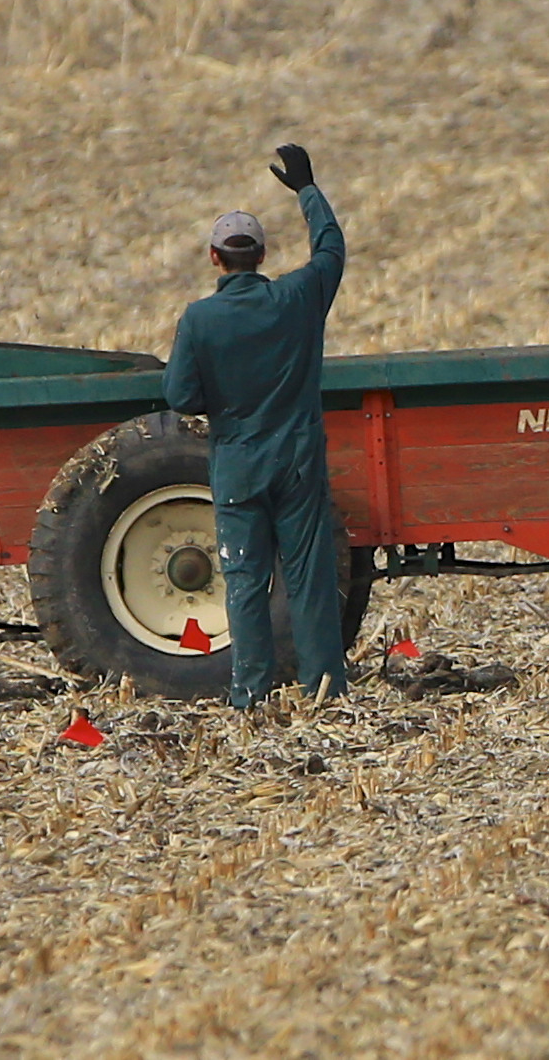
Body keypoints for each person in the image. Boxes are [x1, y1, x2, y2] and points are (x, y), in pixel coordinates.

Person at [165, 143, 351, 706]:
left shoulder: (200, 319)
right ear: (262, 256)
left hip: (239, 466)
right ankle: (323, 688)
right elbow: (332, 251)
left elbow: (179, 396)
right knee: (309, 581)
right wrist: (308, 191)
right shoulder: (296, 298)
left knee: (245, 582)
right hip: (296, 462)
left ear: (214, 258)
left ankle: (250, 694)